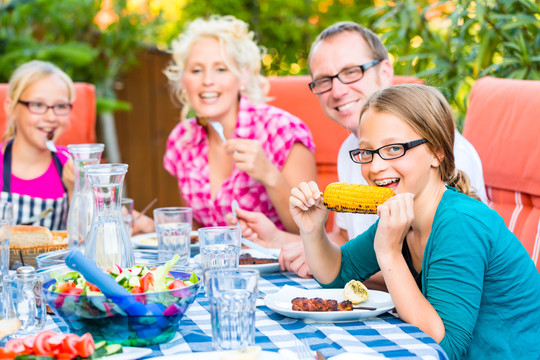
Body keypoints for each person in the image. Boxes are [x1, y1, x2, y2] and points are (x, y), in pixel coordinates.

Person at [289, 84, 540, 360]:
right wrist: (312, 230)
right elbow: (336, 275)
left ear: (437, 152)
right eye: (366, 152)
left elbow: (444, 346)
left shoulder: (460, 223)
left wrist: (389, 252)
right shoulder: (405, 213)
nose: (374, 167)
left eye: (394, 148)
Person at [229, 22, 487, 278]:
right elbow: (347, 240)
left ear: (385, 71)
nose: (338, 91)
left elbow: (437, 274)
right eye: (324, 80)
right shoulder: (351, 150)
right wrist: (279, 239)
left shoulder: (440, 154)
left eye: (351, 72)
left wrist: (331, 264)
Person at [163, 15, 316, 232]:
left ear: (242, 77)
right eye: (196, 70)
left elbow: (311, 231)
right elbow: (195, 231)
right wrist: (153, 227)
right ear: (184, 80)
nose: (207, 80)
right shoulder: (181, 139)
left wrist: (269, 175)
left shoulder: (283, 130)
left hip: (279, 264)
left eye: (221, 69)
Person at [1, 60, 74, 230]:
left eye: (61, 106)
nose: (51, 117)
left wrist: (77, 190)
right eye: (38, 105)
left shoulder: (71, 164)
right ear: (11, 108)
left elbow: (88, 242)